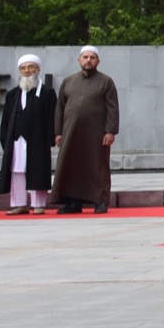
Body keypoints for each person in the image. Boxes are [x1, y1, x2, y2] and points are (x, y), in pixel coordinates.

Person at [53, 46, 118, 213]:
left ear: (98, 61)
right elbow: (60, 107)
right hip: (71, 132)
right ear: (79, 60)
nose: (88, 60)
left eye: (92, 57)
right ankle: (74, 202)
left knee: (97, 166)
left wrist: (110, 131)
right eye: (85, 57)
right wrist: (58, 132)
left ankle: (100, 201)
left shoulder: (106, 82)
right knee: (72, 165)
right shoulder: (68, 81)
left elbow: (112, 108)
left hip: (96, 134)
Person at [0, 54, 54, 215]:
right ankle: (20, 203)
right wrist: (6, 140)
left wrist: (50, 138)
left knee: (37, 169)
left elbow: (51, 117)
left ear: (38, 69)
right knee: (17, 171)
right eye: (23, 68)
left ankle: (38, 204)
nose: (27, 71)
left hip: (37, 140)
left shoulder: (47, 93)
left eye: (31, 67)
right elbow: (6, 120)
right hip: (16, 140)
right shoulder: (12, 94)